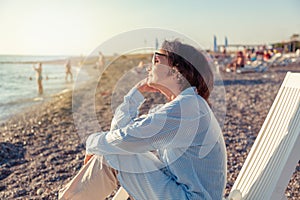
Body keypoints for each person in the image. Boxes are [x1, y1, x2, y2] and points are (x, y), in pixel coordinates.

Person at [59, 40, 227, 200]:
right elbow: (120, 134)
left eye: (156, 60)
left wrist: (92, 143)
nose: (149, 66)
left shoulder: (187, 108)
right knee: (115, 150)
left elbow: (123, 140)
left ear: (177, 70)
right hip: (184, 192)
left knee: (114, 152)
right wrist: (135, 94)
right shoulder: (187, 105)